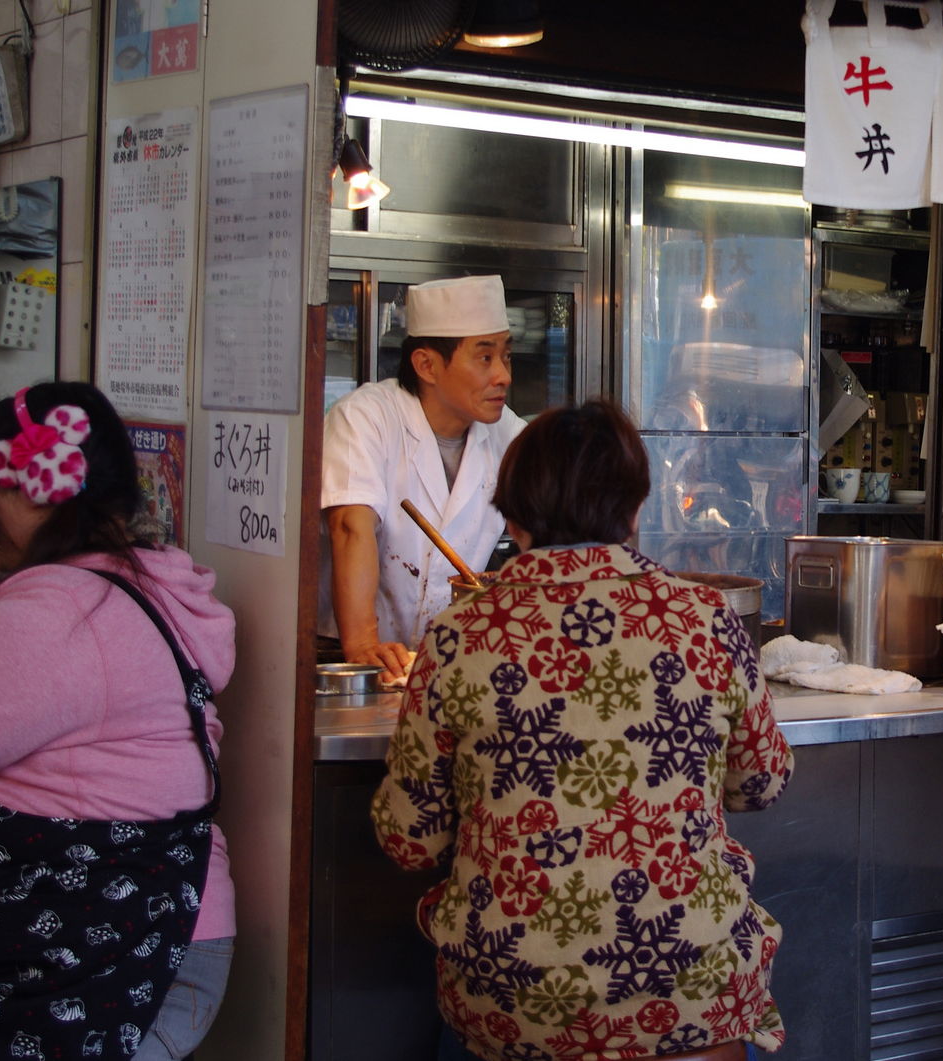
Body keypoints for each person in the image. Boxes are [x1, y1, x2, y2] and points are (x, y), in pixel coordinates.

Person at [372, 400, 794, 1061]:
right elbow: (762, 781)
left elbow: (409, 837)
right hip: (695, 989)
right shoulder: (708, 620)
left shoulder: (461, 635)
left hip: (513, 1001)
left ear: (513, 516)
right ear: (633, 510)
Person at [0, 383, 237, 1060]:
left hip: (110, 948)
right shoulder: (136, 578)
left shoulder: (58, 611)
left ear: (18, 488)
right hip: (146, 928)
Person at [320, 275, 527, 681]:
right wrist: (362, 644)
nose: (503, 375)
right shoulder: (366, 417)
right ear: (426, 365)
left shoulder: (509, 436)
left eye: (507, 356)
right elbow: (350, 526)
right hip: (344, 656)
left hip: (444, 665)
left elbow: (550, 537)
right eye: (485, 358)